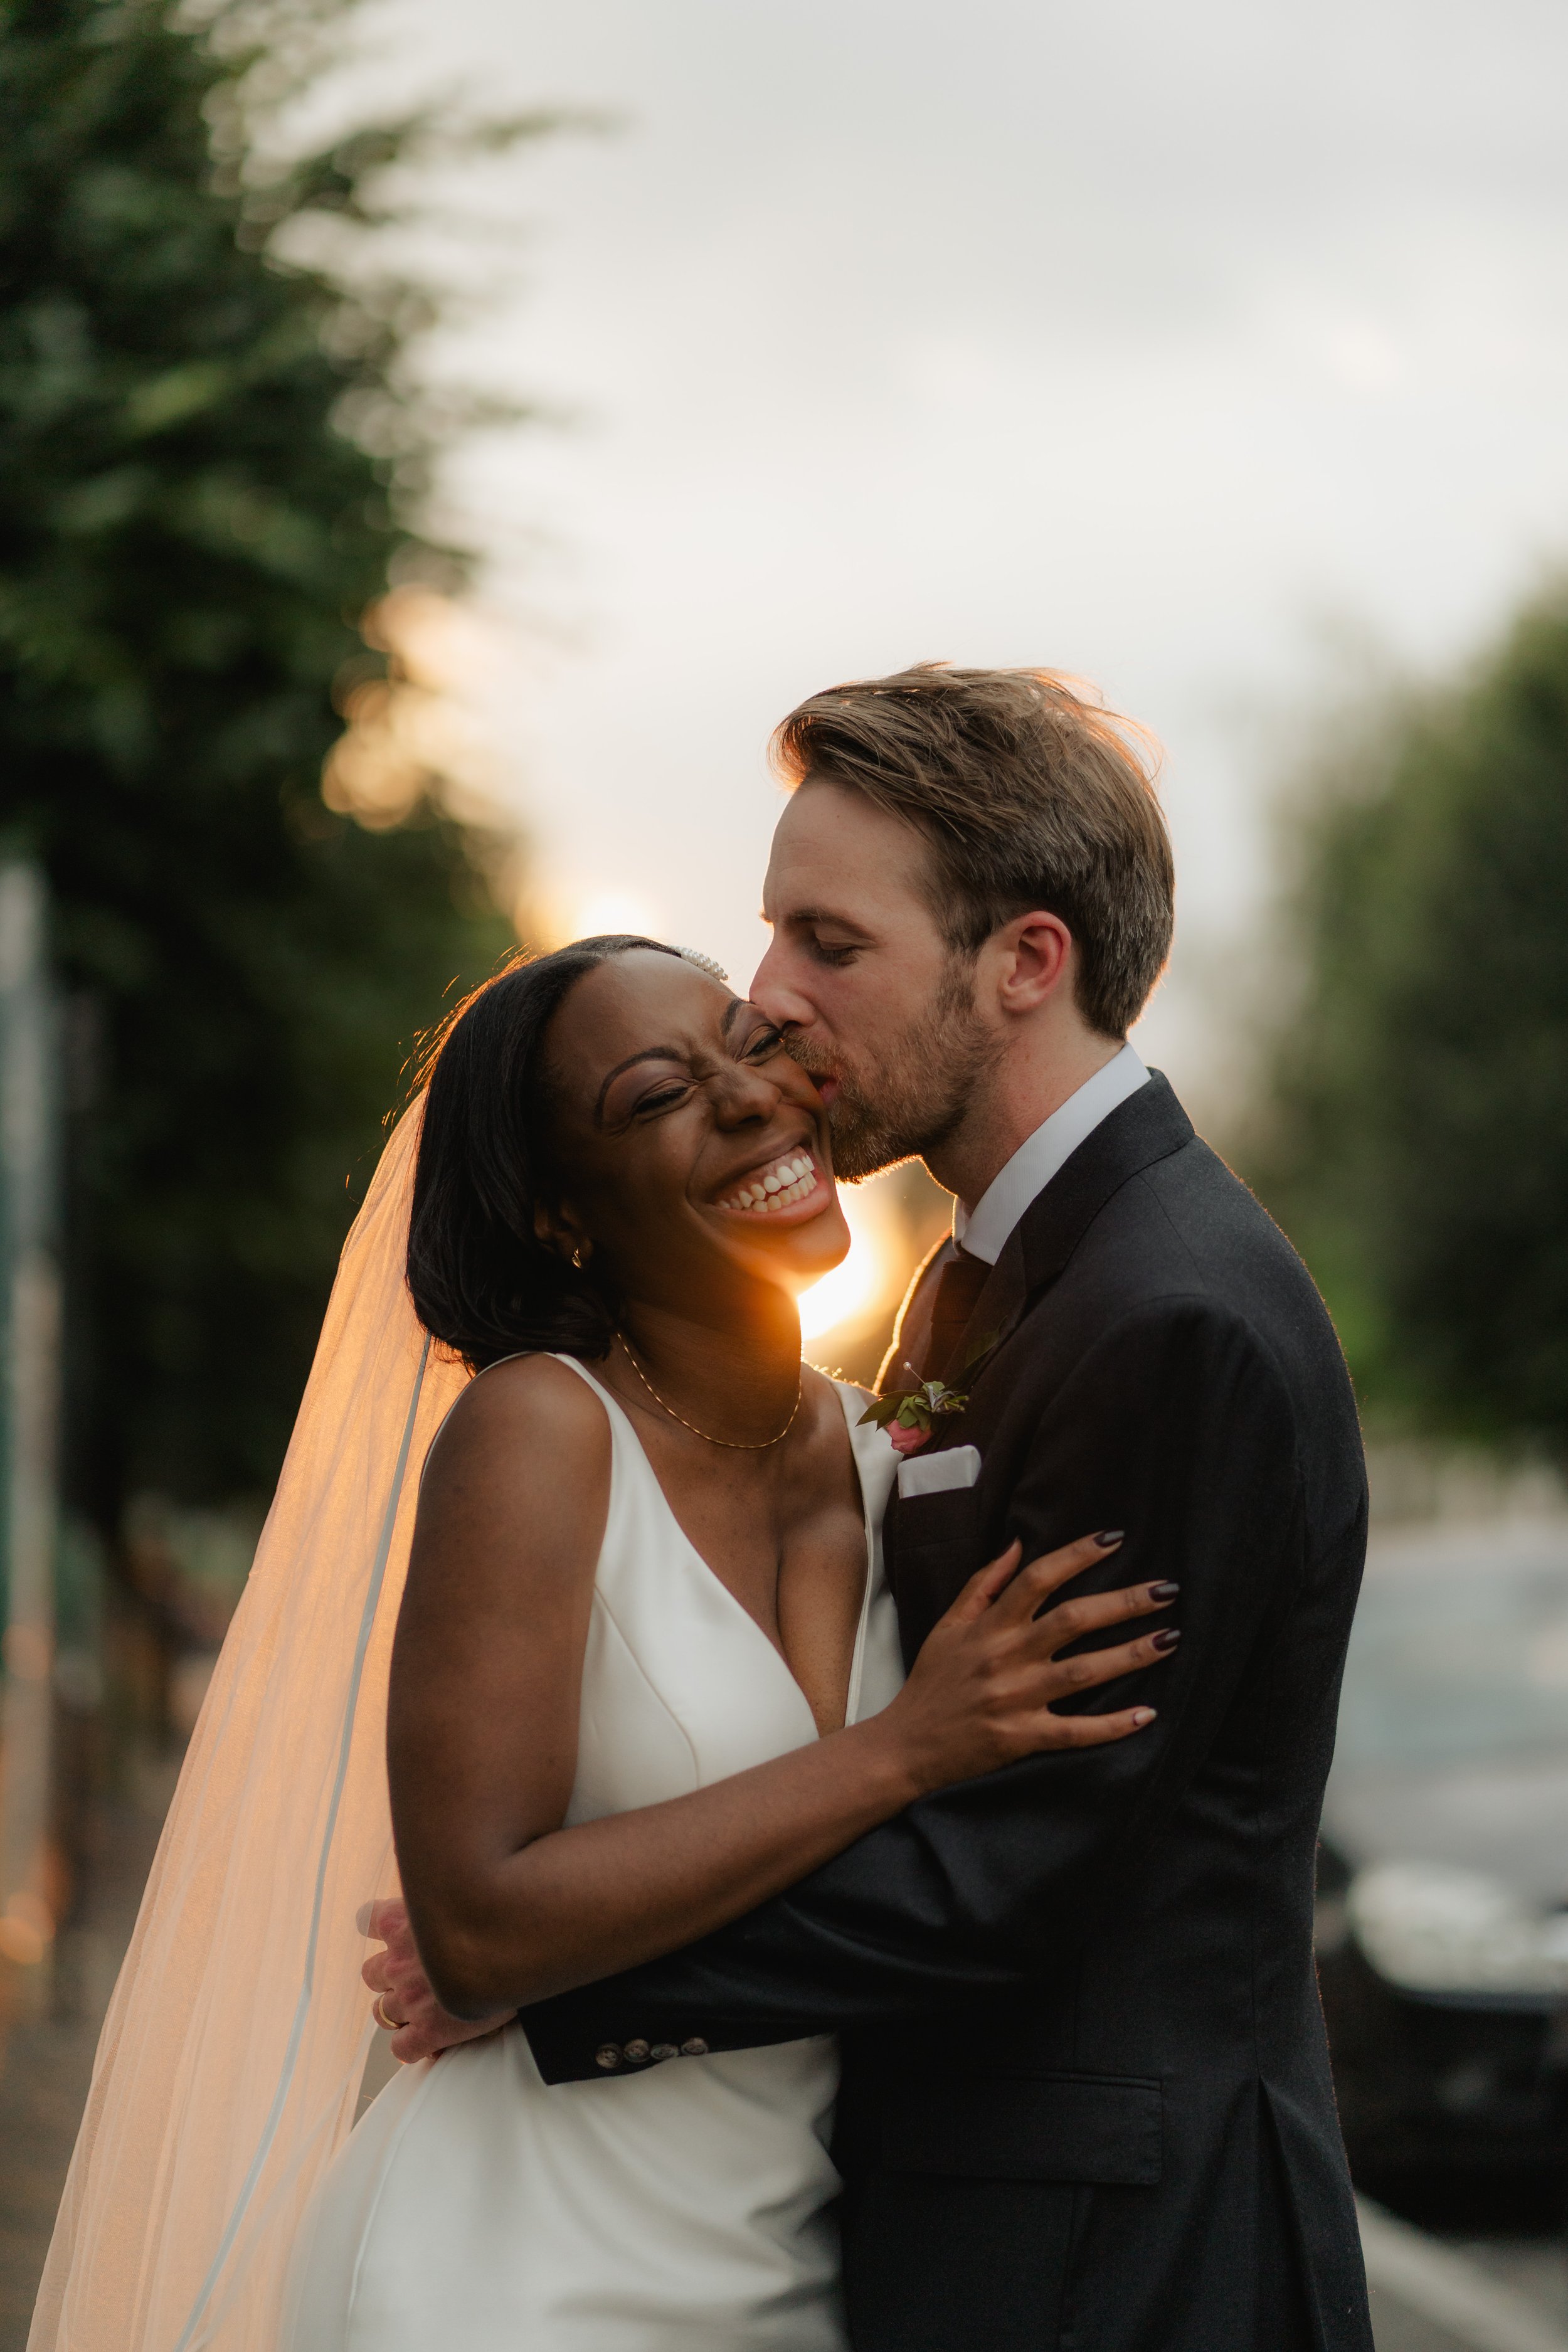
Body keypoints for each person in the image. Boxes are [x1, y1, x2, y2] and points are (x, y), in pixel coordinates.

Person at [378, 665, 1375, 2352]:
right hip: (853, 2231)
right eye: (769, 938)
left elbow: (1026, 1866)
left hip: (1117, 2251)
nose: (769, 1003)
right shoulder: (973, 1299)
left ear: (1023, 965)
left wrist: (547, 1976)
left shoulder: (1167, 1313)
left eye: (827, 946)